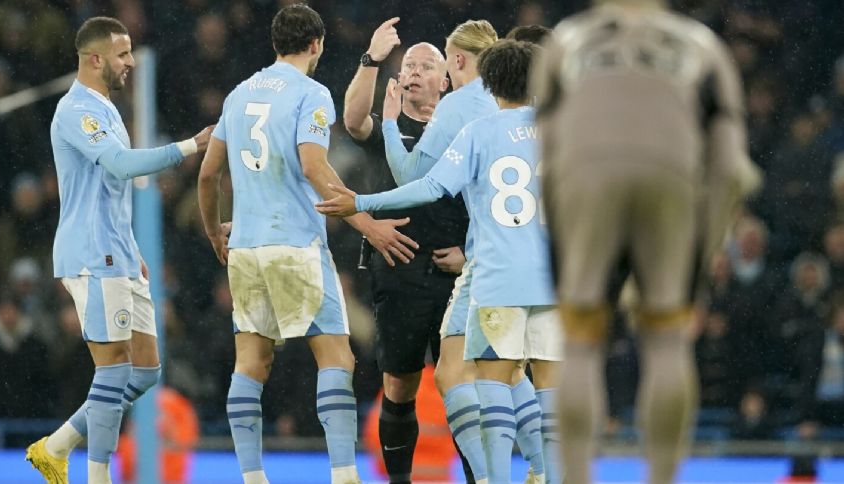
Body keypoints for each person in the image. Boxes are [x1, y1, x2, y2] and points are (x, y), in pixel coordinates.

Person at [532, 1, 762, 483]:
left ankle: (575, 476)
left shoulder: (568, 39)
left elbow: (546, 155)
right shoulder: (701, 44)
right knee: (665, 335)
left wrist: (563, 240)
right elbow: (731, 167)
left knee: (580, 340)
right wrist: (704, 249)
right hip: (672, 170)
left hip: (584, 170)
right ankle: (661, 477)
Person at [319, 39, 562, 484]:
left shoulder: (478, 130)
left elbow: (427, 185)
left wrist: (362, 202)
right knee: (542, 387)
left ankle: (492, 479)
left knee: (485, 384)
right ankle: (546, 473)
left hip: (494, 276)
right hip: (548, 280)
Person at [196, 5, 418, 484]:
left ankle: (252, 477)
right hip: (294, 244)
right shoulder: (311, 93)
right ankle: (344, 475)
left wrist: (215, 231)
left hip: (248, 247)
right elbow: (316, 167)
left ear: (276, 44)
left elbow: (209, 173)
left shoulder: (239, 94)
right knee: (336, 357)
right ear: (316, 44)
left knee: (251, 362)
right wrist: (370, 225)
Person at [25, 16, 213, 484]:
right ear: (95, 59)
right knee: (113, 371)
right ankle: (97, 477)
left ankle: (57, 445)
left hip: (118, 255)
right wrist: (191, 145)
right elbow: (122, 165)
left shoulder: (106, 108)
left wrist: (131, 248)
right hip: (92, 256)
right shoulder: (77, 111)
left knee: (146, 371)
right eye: (123, 54)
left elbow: (108, 190)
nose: (130, 62)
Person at [341, 17, 471, 483]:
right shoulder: (388, 126)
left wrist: (470, 250)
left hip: (460, 272)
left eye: (426, 64)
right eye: (408, 65)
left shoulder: (467, 127)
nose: (414, 71)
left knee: (462, 387)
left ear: (447, 79)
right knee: (400, 383)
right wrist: (371, 59)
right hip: (400, 268)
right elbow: (353, 120)